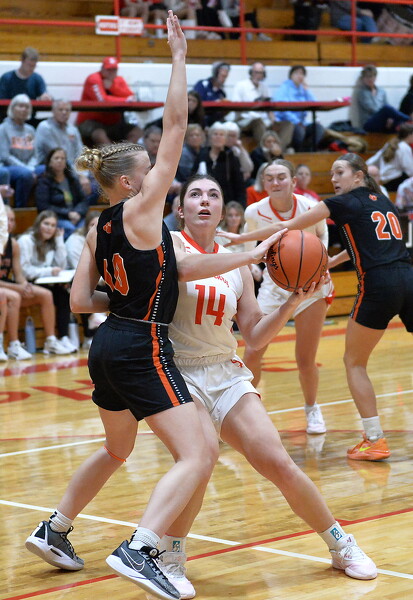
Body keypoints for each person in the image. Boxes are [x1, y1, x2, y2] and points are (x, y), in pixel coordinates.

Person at [24, 14, 280, 600]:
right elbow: (176, 125)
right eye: (151, 170)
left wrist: (244, 255)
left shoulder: (99, 227)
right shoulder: (142, 211)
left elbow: (81, 300)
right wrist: (179, 57)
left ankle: (54, 528)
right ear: (130, 184)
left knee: (117, 447)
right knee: (200, 451)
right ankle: (141, 548)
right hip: (142, 343)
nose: (161, 173)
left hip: (107, 342)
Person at [155, 173, 377, 599]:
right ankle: (170, 556)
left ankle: (340, 543)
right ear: (180, 209)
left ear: (223, 210)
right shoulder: (168, 247)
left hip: (224, 370)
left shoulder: (237, 266)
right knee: (201, 460)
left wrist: (294, 300)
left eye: (214, 195)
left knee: (278, 462)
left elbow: (254, 336)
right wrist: (250, 254)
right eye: (195, 195)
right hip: (177, 372)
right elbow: (183, 271)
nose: (205, 200)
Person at [221, 153, 413, 461]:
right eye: (332, 173)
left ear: (358, 176)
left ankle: (375, 439)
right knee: (257, 350)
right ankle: (240, 414)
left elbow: (285, 227)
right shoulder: (383, 201)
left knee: (354, 362)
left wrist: (238, 238)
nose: (333, 179)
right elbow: (370, 245)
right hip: (408, 277)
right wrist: (330, 261)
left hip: (378, 285)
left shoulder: (339, 203)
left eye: (340, 172)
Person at [240, 160, 334, 435]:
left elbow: (322, 236)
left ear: (293, 181)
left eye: (281, 177)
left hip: (311, 287)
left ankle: (312, 408)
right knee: (252, 350)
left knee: (305, 358)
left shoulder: (310, 206)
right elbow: (247, 248)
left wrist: (320, 264)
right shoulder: (254, 211)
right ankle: (241, 412)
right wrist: (253, 268)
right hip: (275, 286)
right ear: (263, 183)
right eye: (269, 178)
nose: (275, 182)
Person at [0, 206, 69, 358]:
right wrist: (19, 287)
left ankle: (51, 341)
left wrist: (25, 285)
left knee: (46, 294)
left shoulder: (13, 244)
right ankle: (12, 344)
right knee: (13, 296)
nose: (9, 223)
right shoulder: (25, 240)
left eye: (12, 220)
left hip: (10, 286)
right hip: (7, 289)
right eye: (6, 219)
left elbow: (19, 275)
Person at [16, 210, 78, 354]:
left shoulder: (51, 242)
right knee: (50, 294)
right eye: (46, 224)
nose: (49, 228)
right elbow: (24, 270)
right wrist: (48, 271)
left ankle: (63, 337)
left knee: (64, 293)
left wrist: (59, 241)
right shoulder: (26, 240)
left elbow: (61, 265)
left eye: (53, 225)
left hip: (43, 283)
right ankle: (50, 341)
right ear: (38, 224)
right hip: (25, 283)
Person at [76, 56, 141, 147]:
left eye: (114, 70)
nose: (111, 72)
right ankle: (113, 155)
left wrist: (112, 87)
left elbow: (131, 96)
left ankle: (124, 152)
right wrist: (125, 100)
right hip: (90, 122)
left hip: (114, 123)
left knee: (137, 131)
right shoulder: (93, 79)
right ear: (102, 69)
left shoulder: (119, 80)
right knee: (100, 134)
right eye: (109, 69)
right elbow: (102, 100)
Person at [65, 210, 105, 349]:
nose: (96, 228)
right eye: (92, 225)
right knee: (85, 290)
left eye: (99, 224)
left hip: (101, 279)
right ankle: (89, 334)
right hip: (74, 280)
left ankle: (104, 328)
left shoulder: (108, 237)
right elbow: (81, 270)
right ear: (86, 226)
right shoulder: (75, 240)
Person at [35, 148, 89, 240]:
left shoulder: (72, 179)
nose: (60, 161)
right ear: (49, 162)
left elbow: (84, 200)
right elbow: (43, 206)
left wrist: (77, 212)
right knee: (70, 230)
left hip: (76, 216)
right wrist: (68, 213)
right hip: (57, 218)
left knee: (89, 228)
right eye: (56, 158)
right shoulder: (44, 181)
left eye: (62, 158)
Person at [0, 94, 43, 207]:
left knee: (45, 170)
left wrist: (31, 167)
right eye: (20, 106)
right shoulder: (3, 128)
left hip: (29, 167)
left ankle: (43, 208)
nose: (24, 109)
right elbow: (5, 156)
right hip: (8, 167)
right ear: (12, 108)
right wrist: (26, 169)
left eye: (27, 107)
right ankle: (21, 209)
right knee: (25, 174)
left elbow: (35, 155)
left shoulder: (30, 130)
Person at [192, 121, 246, 207]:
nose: (218, 137)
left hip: (226, 201)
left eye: (221, 134)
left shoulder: (231, 157)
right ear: (210, 137)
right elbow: (192, 177)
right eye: (215, 134)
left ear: (225, 139)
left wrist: (240, 205)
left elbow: (239, 184)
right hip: (204, 199)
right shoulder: (202, 154)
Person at [273, 65, 325, 152]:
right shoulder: (284, 88)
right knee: (299, 130)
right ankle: (298, 153)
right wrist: (297, 122)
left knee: (318, 128)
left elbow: (315, 104)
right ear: (291, 76)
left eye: (302, 74)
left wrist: (307, 90)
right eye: (296, 73)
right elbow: (283, 109)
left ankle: (308, 152)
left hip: (302, 123)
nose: (299, 76)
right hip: (287, 123)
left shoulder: (303, 89)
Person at [350, 65, 410, 133]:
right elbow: (372, 109)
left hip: (382, 120)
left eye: (371, 76)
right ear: (363, 78)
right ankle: (409, 119)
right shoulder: (362, 93)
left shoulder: (381, 91)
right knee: (387, 109)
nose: (369, 79)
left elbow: (387, 104)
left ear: (375, 77)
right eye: (367, 77)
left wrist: (390, 118)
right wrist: (386, 117)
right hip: (369, 123)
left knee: (398, 122)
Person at [366, 122, 413, 191]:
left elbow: (372, 160)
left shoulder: (389, 144)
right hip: (395, 181)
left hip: (385, 180)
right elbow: (410, 170)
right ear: (409, 135)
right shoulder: (404, 147)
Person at [192, 62, 230, 126]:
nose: (224, 79)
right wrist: (216, 102)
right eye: (222, 76)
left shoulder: (221, 93)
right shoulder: (202, 85)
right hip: (200, 120)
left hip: (215, 121)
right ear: (215, 74)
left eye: (225, 77)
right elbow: (197, 102)